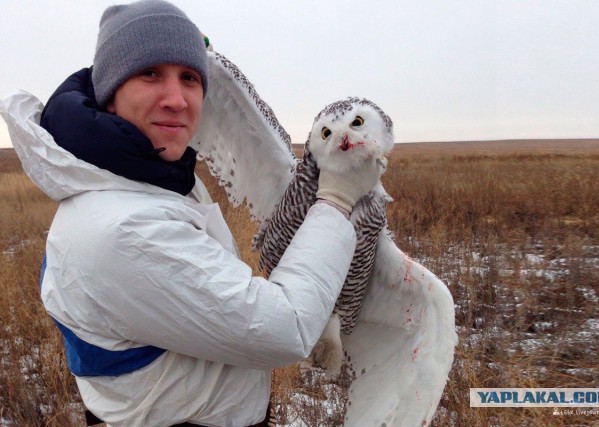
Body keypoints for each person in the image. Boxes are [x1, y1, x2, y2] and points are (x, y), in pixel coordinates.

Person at [1, 0, 383, 426]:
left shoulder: (140, 178)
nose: (177, 100)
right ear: (109, 95)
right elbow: (284, 328)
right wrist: (335, 200)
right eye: (150, 73)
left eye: (190, 78)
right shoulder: (124, 228)